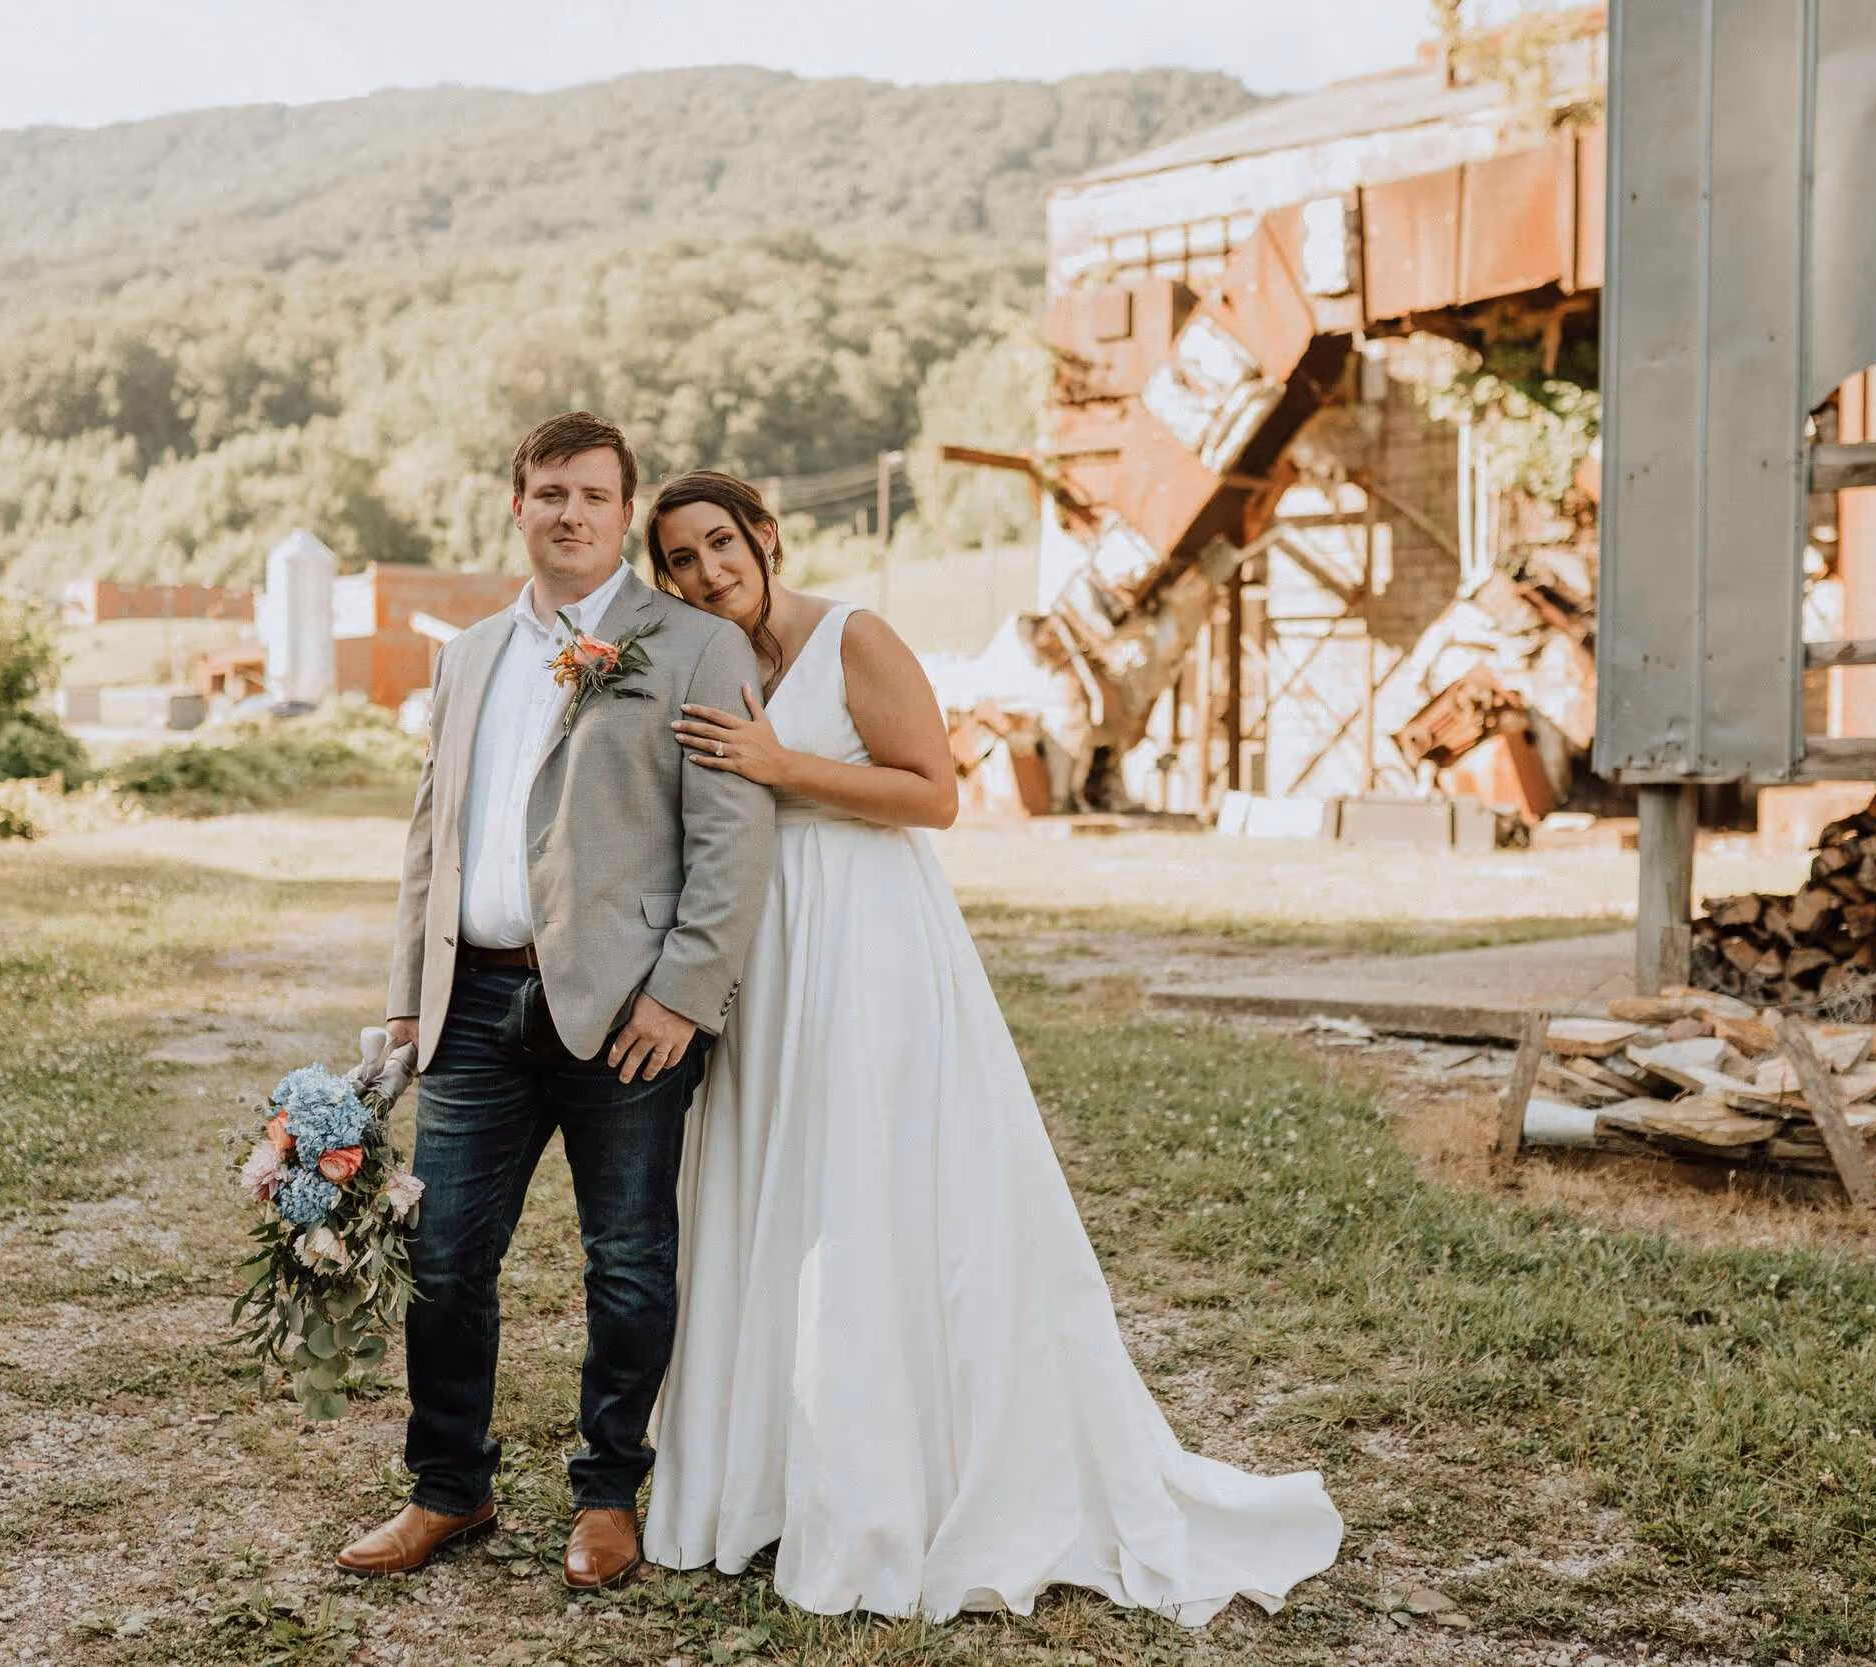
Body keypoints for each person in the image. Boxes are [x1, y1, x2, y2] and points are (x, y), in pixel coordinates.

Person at [640, 470, 1342, 1625]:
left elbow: (935, 793)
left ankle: (888, 1482)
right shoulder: (708, 658)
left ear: (764, 535)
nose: (707, 570)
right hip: (766, 954)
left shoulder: (853, 636)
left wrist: (784, 767)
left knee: (871, 1182)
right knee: (779, 1187)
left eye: (722, 542)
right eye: (680, 558)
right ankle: (763, 1469)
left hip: (868, 936)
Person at [336, 418, 775, 1591]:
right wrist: (403, 1001)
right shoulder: (469, 651)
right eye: (547, 492)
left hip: (627, 1013)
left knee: (628, 1259)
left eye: (591, 493)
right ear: (515, 506)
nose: (568, 512)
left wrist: (683, 993)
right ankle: (449, 1487)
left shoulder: (691, 646)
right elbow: (433, 831)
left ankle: (608, 1493)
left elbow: (732, 842)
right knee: (444, 1255)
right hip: (470, 1004)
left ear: (623, 510)